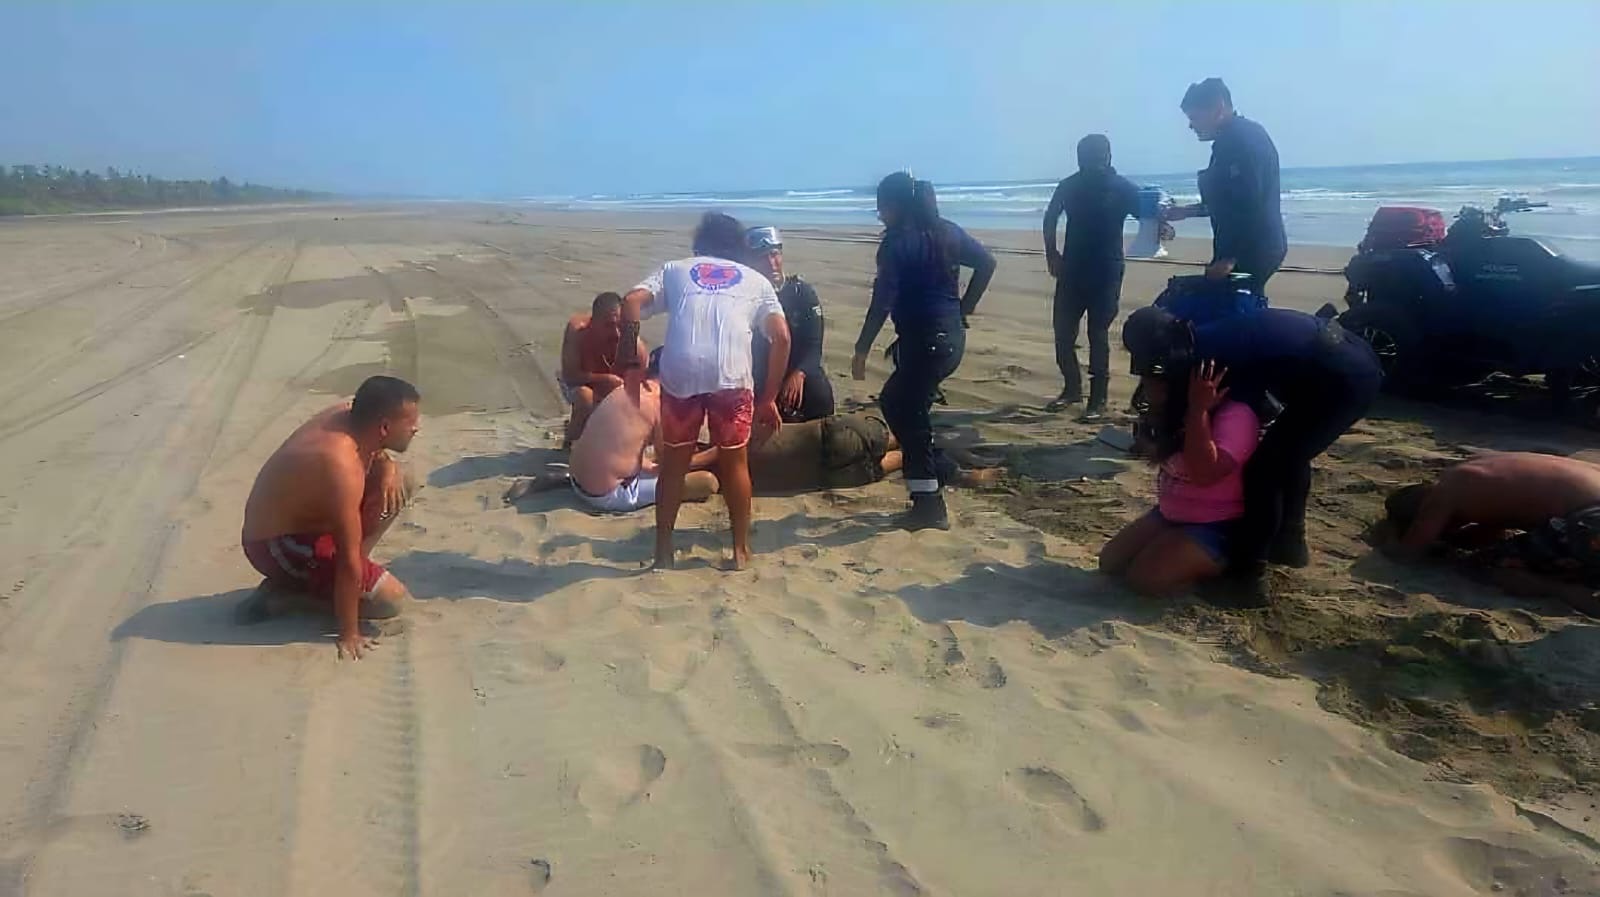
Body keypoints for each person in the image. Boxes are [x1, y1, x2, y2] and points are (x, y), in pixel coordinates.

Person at [1123, 305, 1381, 602]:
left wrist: (1190, 413)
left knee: (1265, 470)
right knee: (1290, 453)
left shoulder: (1219, 358)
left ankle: (1248, 577)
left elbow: (1236, 409)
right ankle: (1289, 543)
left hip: (1344, 380)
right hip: (1344, 356)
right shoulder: (1202, 335)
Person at [619, 212, 791, 570]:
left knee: (673, 465)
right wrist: (769, 397)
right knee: (735, 464)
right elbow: (782, 338)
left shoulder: (675, 269)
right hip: (731, 377)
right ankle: (740, 551)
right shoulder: (757, 281)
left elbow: (631, 302)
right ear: (740, 248)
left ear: (700, 246)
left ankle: (663, 550)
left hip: (681, 373)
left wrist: (631, 361)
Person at [852, 174, 997, 530]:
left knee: (907, 411)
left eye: (881, 207)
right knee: (899, 405)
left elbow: (882, 301)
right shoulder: (947, 231)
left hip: (926, 343)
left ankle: (929, 504)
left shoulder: (897, 244)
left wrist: (861, 348)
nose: (880, 214)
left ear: (895, 206)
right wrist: (964, 308)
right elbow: (987, 263)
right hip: (948, 341)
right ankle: (941, 471)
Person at [240, 375, 421, 660]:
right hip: (275, 543)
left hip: (312, 520)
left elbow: (376, 447)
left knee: (401, 480)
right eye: (411, 423)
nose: (416, 428)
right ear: (384, 427)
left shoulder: (351, 412)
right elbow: (349, 558)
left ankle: (334, 581)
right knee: (390, 602)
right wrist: (349, 632)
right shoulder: (341, 465)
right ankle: (291, 598)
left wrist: (386, 465)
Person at [1100, 361, 1259, 597]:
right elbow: (1162, 455)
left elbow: (1205, 474)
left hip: (1218, 523)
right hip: (1172, 513)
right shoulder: (1168, 411)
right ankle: (1175, 549)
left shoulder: (1235, 415)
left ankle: (1224, 575)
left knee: (1145, 580)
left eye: (1155, 382)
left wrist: (1198, 413)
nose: (1147, 389)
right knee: (1111, 563)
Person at [1384, 453, 1600, 613]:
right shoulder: (1482, 471)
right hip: (1588, 514)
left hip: (1589, 522)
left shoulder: (1443, 493)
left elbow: (1408, 553)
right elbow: (1490, 534)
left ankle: (1565, 592)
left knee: (1484, 563)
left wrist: (1388, 537)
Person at [1042, 134, 1141, 418]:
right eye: (1085, 158)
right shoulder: (1069, 185)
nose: (1091, 164)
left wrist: (1160, 228)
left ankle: (1097, 400)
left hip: (1106, 270)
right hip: (1071, 268)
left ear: (1108, 157)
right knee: (1062, 332)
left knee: (1097, 334)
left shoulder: (1122, 188)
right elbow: (1050, 218)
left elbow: (1146, 216)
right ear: (1078, 159)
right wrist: (1052, 253)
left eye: (1095, 158)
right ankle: (1072, 388)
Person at [1163, 78, 1287, 296]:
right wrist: (1186, 211)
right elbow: (1227, 201)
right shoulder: (1230, 140)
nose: (1191, 125)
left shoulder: (1242, 141)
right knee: (1233, 302)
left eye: (1194, 117)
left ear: (1218, 108)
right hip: (1253, 250)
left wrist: (1232, 258)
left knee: (1233, 305)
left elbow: (1249, 203)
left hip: (1252, 256)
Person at [745, 226, 835, 423]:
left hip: (797, 368)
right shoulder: (744, 298)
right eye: (762, 257)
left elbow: (814, 346)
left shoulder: (801, 293)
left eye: (774, 254)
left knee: (820, 396)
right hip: (761, 373)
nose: (771, 263)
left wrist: (799, 374)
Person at [560, 291, 647, 443]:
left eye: (620, 326)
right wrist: (605, 379)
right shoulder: (578, 331)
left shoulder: (636, 348)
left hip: (617, 391)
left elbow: (639, 393)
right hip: (580, 382)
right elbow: (570, 375)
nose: (616, 333)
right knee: (585, 398)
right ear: (593, 322)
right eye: (609, 326)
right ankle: (568, 445)